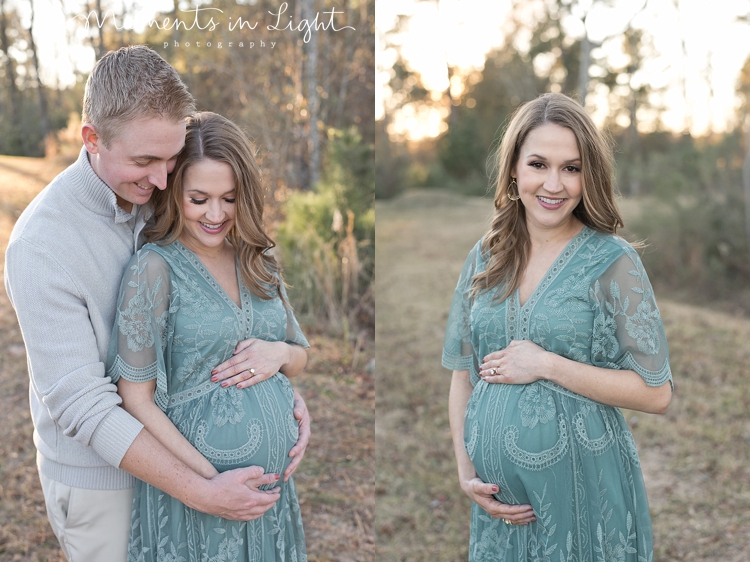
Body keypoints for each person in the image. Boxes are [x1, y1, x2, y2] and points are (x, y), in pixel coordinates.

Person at [4, 45, 310, 562]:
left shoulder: (160, 198)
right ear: (92, 140)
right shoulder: (41, 246)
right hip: (101, 479)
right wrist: (202, 488)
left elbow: (213, 330)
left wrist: (278, 393)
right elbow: (84, 404)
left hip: (205, 470)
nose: (163, 179)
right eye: (146, 161)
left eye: (171, 160)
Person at [444, 92, 672, 561]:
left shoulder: (613, 262)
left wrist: (547, 364)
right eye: (538, 164)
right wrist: (467, 473)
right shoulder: (485, 256)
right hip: (499, 513)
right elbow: (464, 373)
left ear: (589, 175)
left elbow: (656, 392)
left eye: (571, 168)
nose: (554, 184)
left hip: (582, 498)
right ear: (514, 169)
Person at [108, 111, 309, 561]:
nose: (215, 214)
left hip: (269, 500)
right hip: (195, 497)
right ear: (175, 193)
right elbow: (135, 399)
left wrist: (279, 355)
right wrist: (209, 481)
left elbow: (299, 357)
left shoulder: (259, 262)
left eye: (229, 198)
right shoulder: (154, 269)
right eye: (199, 199)